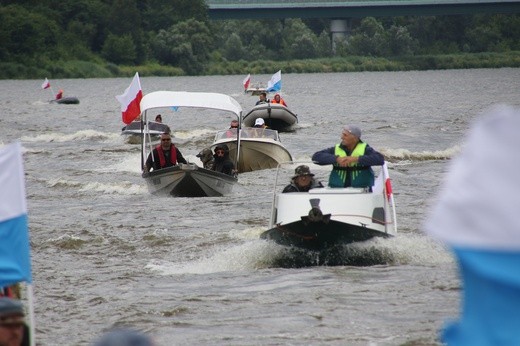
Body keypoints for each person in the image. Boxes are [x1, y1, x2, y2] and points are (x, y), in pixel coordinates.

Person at [312, 125, 384, 188]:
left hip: (361, 190)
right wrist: (336, 159)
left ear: (355, 138)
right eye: (342, 134)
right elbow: (316, 157)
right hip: (337, 190)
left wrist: (356, 159)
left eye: (345, 135)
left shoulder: (365, 149)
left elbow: (380, 159)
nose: (341, 137)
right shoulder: (335, 149)